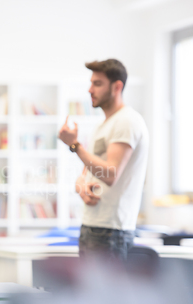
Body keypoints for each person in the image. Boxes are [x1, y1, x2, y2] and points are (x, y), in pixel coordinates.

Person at [58, 59, 149, 261]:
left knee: (107, 293)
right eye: (91, 83)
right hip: (93, 225)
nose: (90, 90)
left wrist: (75, 145)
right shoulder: (103, 125)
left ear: (117, 87)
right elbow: (88, 173)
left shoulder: (127, 120)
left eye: (97, 84)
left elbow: (110, 174)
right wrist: (81, 186)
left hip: (111, 230)